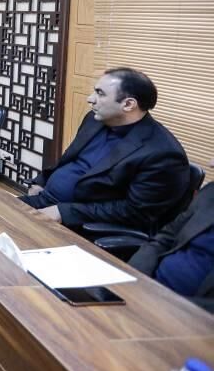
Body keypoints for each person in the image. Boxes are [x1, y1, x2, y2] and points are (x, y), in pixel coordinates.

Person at [20, 68, 190, 235]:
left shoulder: (162, 154)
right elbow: (69, 159)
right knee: (2, 212)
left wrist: (64, 212)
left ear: (128, 104)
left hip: (81, 223)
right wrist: (41, 181)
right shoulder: (94, 120)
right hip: (45, 200)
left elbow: (134, 212)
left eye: (100, 94)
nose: (90, 99)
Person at [129, 175, 214, 312]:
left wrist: (168, 304)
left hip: (191, 312)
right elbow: (166, 236)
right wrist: (134, 274)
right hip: (147, 287)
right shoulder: (210, 192)